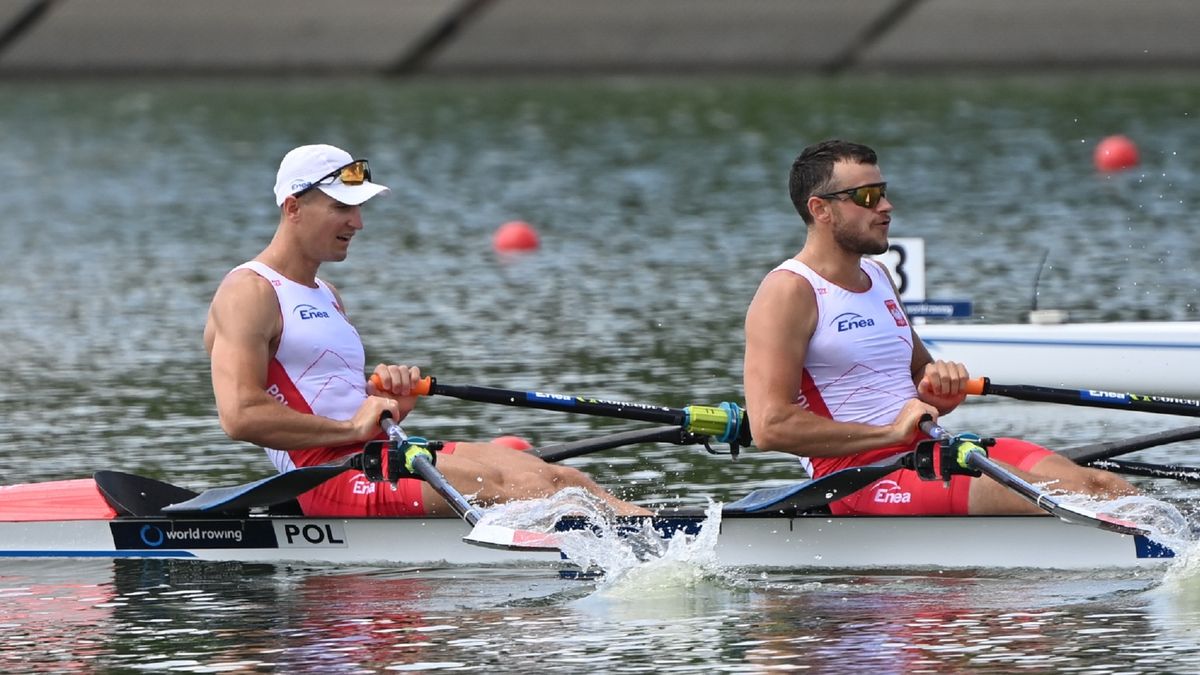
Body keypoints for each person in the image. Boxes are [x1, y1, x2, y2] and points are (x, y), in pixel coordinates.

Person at [204, 143, 648, 517]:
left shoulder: (326, 292)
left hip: (379, 455)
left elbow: (327, 396)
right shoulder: (248, 292)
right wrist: (352, 431)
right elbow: (240, 415)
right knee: (524, 492)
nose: (357, 223)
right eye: (341, 207)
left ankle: (662, 531)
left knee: (560, 478)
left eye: (357, 208)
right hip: (327, 478)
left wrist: (389, 402)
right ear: (293, 207)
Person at [742, 139, 1135, 516]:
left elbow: (919, 374)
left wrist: (938, 388)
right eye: (867, 197)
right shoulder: (789, 291)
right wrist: (890, 434)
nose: (886, 206)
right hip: (857, 478)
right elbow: (770, 425)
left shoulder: (878, 275)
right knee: (1057, 497)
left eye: (883, 191)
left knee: (1106, 488)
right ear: (820, 209)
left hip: (926, 453)